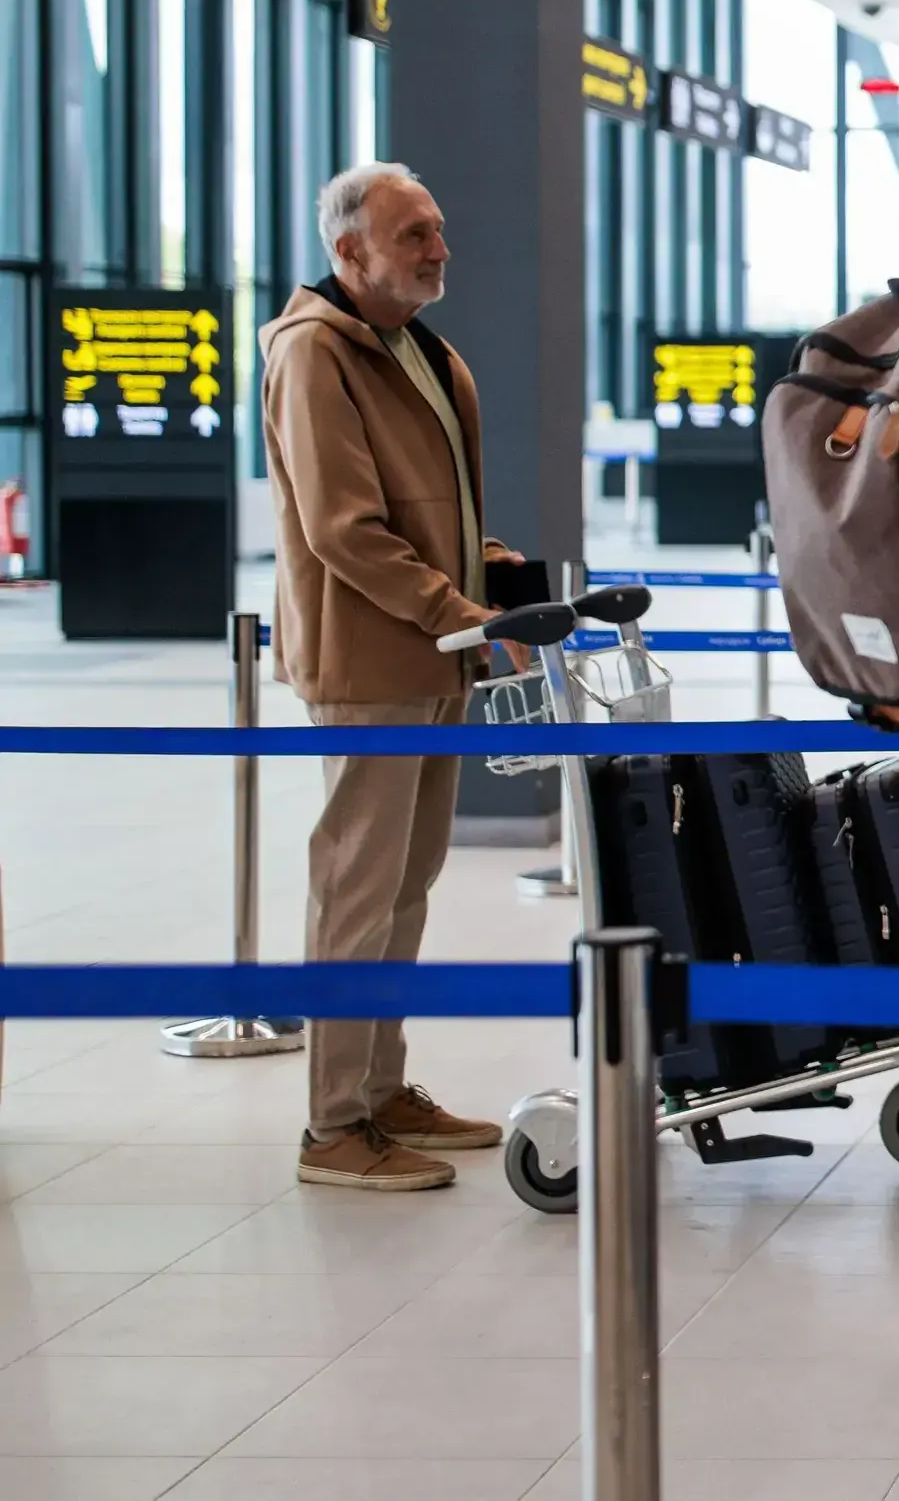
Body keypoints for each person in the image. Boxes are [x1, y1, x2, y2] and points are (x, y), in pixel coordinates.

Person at [259, 161, 518, 1191]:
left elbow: (430, 510)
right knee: (357, 887)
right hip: (372, 660)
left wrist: (492, 572)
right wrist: (460, 615)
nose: (437, 247)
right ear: (349, 251)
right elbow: (344, 533)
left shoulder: (418, 349)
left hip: (431, 656)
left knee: (406, 883)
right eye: (413, 234)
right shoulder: (315, 355)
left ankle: (379, 1088)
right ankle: (333, 1125)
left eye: (438, 229)